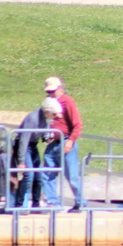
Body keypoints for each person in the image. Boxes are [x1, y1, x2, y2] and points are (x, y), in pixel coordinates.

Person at [41, 76, 85, 211]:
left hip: (65, 141)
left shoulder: (67, 102)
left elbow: (77, 124)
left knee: (72, 176)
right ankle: (52, 202)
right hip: (53, 143)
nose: (50, 94)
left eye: (52, 91)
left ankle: (80, 202)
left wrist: (70, 141)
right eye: (48, 92)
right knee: (47, 174)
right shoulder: (49, 103)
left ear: (60, 88)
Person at [12, 97, 62, 209]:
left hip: (33, 146)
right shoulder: (32, 118)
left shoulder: (46, 118)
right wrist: (21, 161)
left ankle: (36, 204)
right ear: (47, 111)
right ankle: (18, 204)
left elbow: (44, 133)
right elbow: (23, 140)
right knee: (28, 175)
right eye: (54, 114)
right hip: (24, 146)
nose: (54, 117)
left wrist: (48, 137)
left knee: (39, 175)